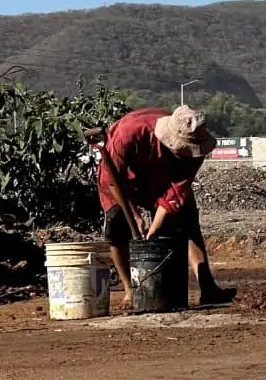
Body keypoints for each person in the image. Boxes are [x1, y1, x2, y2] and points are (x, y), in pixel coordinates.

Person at [98, 104, 237, 308]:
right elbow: (113, 180)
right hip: (122, 180)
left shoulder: (196, 147)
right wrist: (135, 217)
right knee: (117, 226)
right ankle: (130, 290)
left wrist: (154, 226)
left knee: (187, 223)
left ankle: (208, 288)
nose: (187, 153)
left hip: (164, 177)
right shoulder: (129, 133)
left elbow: (176, 192)